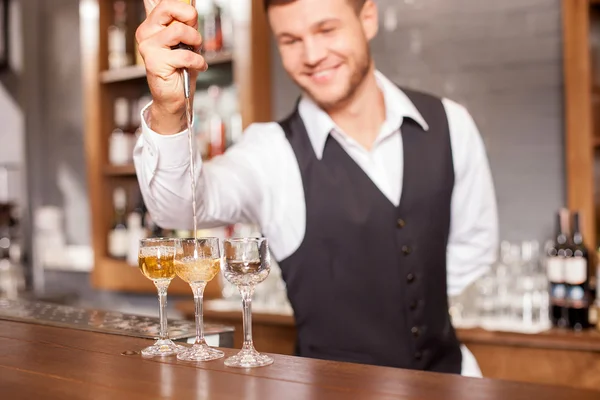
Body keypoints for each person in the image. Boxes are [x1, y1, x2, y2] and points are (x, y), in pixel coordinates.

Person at [134, 0, 498, 376]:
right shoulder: (272, 151)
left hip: (451, 382)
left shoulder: (450, 124)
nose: (312, 55)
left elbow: (473, 250)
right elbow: (179, 207)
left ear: (367, 17)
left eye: (327, 30)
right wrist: (169, 109)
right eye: (290, 40)